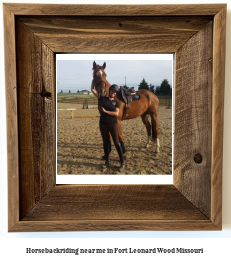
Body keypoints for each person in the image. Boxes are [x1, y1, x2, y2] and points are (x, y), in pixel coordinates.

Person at [91, 80, 125, 172]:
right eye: (112, 91)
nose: (113, 93)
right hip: (102, 123)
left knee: (116, 143)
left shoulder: (116, 103)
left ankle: (122, 162)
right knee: (105, 143)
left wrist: (105, 111)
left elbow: (116, 114)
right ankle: (107, 161)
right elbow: (92, 90)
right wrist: (94, 80)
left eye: (115, 92)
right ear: (109, 91)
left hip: (113, 124)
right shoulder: (103, 98)